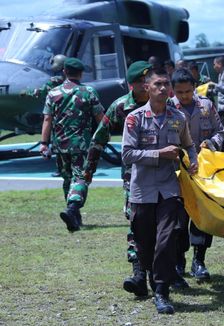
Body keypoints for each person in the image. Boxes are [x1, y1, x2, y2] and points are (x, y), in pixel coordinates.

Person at [121, 68, 198, 314]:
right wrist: (159, 154)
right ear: (146, 88)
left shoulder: (178, 117)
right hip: (142, 190)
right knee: (145, 243)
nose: (163, 88)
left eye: (166, 84)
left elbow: (188, 144)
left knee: (167, 240)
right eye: (158, 84)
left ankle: (162, 292)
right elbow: (127, 155)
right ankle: (148, 278)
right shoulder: (134, 118)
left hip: (169, 189)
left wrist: (193, 160)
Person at [83, 61, 153, 298]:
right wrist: (88, 170)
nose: (148, 85)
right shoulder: (120, 106)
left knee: (165, 225)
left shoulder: (165, 102)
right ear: (133, 85)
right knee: (136, 222)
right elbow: (99, 138)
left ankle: (164, 273)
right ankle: (138, 275)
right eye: (143, 82)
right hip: (133, 176)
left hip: (166, 175)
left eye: (149, 80)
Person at [170, 68, 224, 284]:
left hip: (203, 171)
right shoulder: (167, 108)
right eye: (180, 92)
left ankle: (199, 261)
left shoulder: (207, 106)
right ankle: (178, 259)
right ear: (173, 90)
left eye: (188, 91)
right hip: (176, 171)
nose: (184, 96)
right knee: (179, 219)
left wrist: (211, 143)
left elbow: (219, 131)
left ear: (195, 87)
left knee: (202, 217)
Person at [40, 57, 104, 232]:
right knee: (81, 178)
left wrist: (44, 143)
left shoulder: (53, 93)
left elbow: (47, 118)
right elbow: (101, 118)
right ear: (81, 73)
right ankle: (72, 209)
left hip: (60, 145)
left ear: (64, 72)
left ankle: (75, 218)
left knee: (68, 179)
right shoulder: (88, 92)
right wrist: (103, 138)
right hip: (81, 144)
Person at [23, 54, 66, 178]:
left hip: (57, 116)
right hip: (71, 115)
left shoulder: (54, 81)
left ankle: (60, 169)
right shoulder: (70, 80)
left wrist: (26, 92)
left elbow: (41, 92)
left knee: (57, 143)